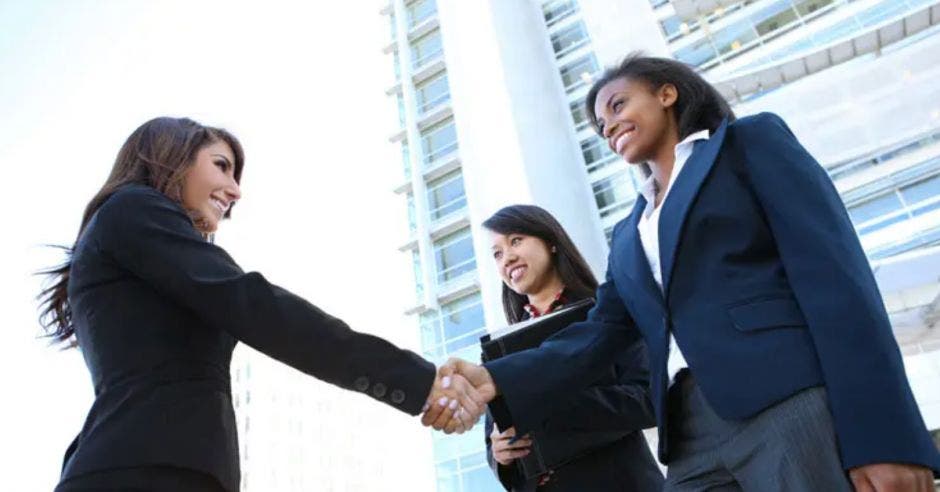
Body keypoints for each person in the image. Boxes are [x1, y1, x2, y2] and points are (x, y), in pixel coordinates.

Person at [429, 54, 940, 491]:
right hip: (689, 437)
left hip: (782, 400)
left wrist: (887, 435)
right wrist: (494, 378)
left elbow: (839, 284)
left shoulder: (746, 145)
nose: (608, 127)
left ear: (668, 93)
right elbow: (600, 331)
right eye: (600, 126)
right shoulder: (631, 232)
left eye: (617, 106)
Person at [39, 117, 483, 492]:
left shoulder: (143, 243)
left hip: (170, 468)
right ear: (171, 155)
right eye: (222, 167)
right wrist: (417, 380)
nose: (234, 190)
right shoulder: (132, 209)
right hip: (143, 469)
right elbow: (257, 307)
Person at [481, 205, 662, 491]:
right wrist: (500, 454)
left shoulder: (605, 315)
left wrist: (548, 407)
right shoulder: (503, 350)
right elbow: (498, 436)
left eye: (516, 240)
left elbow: (647, 399)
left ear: (550, 242)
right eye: (497, 253)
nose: (508, 258)